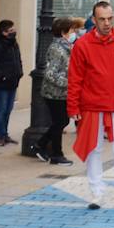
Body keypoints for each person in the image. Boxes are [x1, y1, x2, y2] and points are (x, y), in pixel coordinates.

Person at [68, 1, 114, 210]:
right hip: (91, 105)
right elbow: (75, 78)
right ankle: (96, 193)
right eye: (102, 19)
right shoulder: (82, 45)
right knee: (94, 149)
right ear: (94, 20)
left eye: (110, 18)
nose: (107, 23)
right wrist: (73, 107)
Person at [34, 17, 78, 165]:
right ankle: (56, 154)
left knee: (62, 121)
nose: (74, 33)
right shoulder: (56, 49)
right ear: (63, 32)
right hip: (54, 94)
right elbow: (50, 74)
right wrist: (69, 83)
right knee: (59, 122)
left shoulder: (66, 47)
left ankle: (41, 144)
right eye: (72, 30)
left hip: (61, 94)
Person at [0, 19, 23, 146]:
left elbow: (18, 59)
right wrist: (3, 76)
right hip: (2, 83)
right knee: (1, 109)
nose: (14, 32)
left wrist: (19, 73)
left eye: (13, 29)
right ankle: (0, 135)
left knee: (8, 109)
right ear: (4, 32)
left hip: (13, 82)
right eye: (11, 30)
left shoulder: (14, 44)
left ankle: (5, 134)